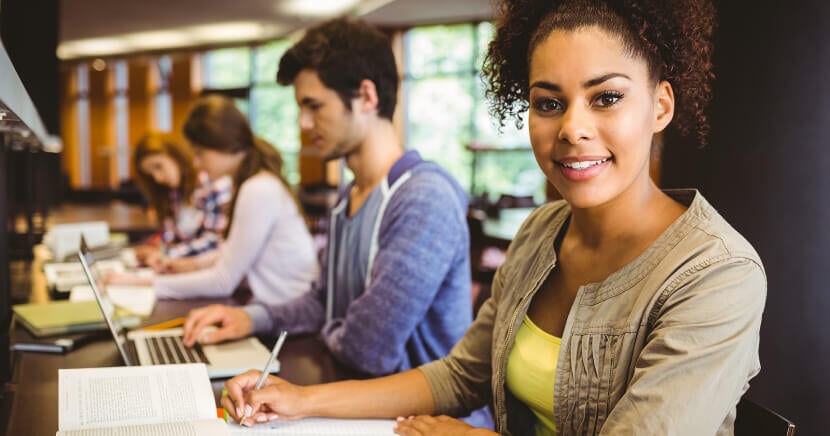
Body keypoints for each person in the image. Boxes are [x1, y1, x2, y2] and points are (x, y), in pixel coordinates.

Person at [220, 1, 766, 435]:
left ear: (661, 106)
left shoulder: (715, 273)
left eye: (606, 98)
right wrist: (299, 399)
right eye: (548, 103)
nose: (572, 128)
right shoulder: (540, 233)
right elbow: (460, 376)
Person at [182, 18, 490, 425]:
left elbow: (368, 350)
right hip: (361, 408)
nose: (303, 124)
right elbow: (321, 302)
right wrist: (250, 317)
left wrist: (331, 325)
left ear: (366, 96)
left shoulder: (422, 197)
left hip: (428, 424)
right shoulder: (348, 197)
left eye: (314, 106)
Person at [109, 95, 318, 306]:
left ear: (223, 144)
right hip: (277, 305)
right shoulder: (255, 183)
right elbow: (233, 252)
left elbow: (223, 281)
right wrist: (191, 265)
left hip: (287, 313)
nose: (196, 164)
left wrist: (144, 283)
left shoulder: (258, 189)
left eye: (199, 153)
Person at [131, 131, 232, 272]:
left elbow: (215, 243)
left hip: (211, 273)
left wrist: (167, 254)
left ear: (176, 156)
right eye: (151, 175)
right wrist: (158, 250)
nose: (158, 178)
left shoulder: (212, 185)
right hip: (184, 272)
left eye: (158, 166)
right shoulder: (173, 194)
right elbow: (175, 238)